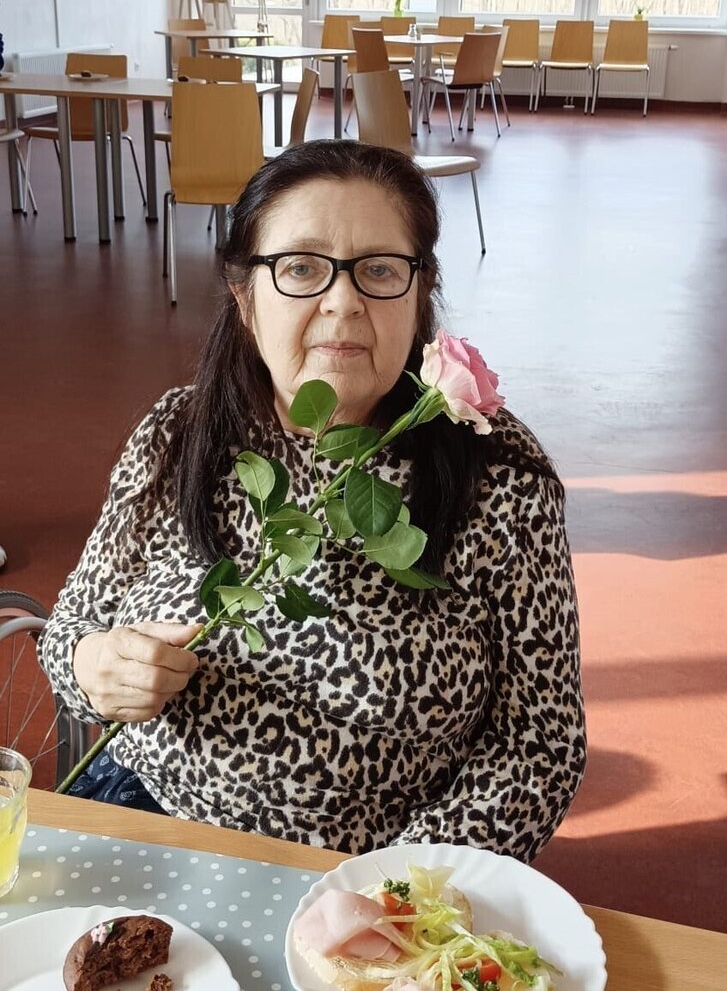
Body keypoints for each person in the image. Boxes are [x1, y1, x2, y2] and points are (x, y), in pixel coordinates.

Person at [40, 140, 585, 858]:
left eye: (379, 269)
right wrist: (95, 666)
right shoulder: (179, 433)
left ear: (420, 291)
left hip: (374, 865)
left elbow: (538, 745)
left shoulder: (499, 476)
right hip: (148, 818)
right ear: (245, 296)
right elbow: (72, 628)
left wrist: (397, 888)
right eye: (300, 267)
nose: (343, 301)